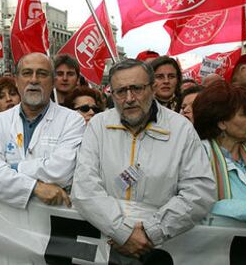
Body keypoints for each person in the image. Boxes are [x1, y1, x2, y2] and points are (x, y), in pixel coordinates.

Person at [71, 59, 216, 262]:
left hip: (161, 248)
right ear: (111, 93)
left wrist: (150, 232)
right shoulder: (98, 125)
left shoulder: (181, 128)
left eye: (137, 89)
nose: (129, 98)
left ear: (152, 88)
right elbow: (84, 187)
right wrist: (122, 232)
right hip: (107, 245)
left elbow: (199, 191)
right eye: (121, 91)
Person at [0, 52, 85, 209]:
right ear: (16, 80)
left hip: (52, 221)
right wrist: (35, 187)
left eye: (42, 74)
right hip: (4, 222)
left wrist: (11, 168)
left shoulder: (73, 121)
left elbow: (61, 171)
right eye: (27, 73)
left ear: (53, 81)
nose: (34, 80)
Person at [193, 82, 246, 227]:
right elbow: (192, 202)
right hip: (217, 246)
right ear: (221, 123)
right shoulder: (199, 155)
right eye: (244, 114)